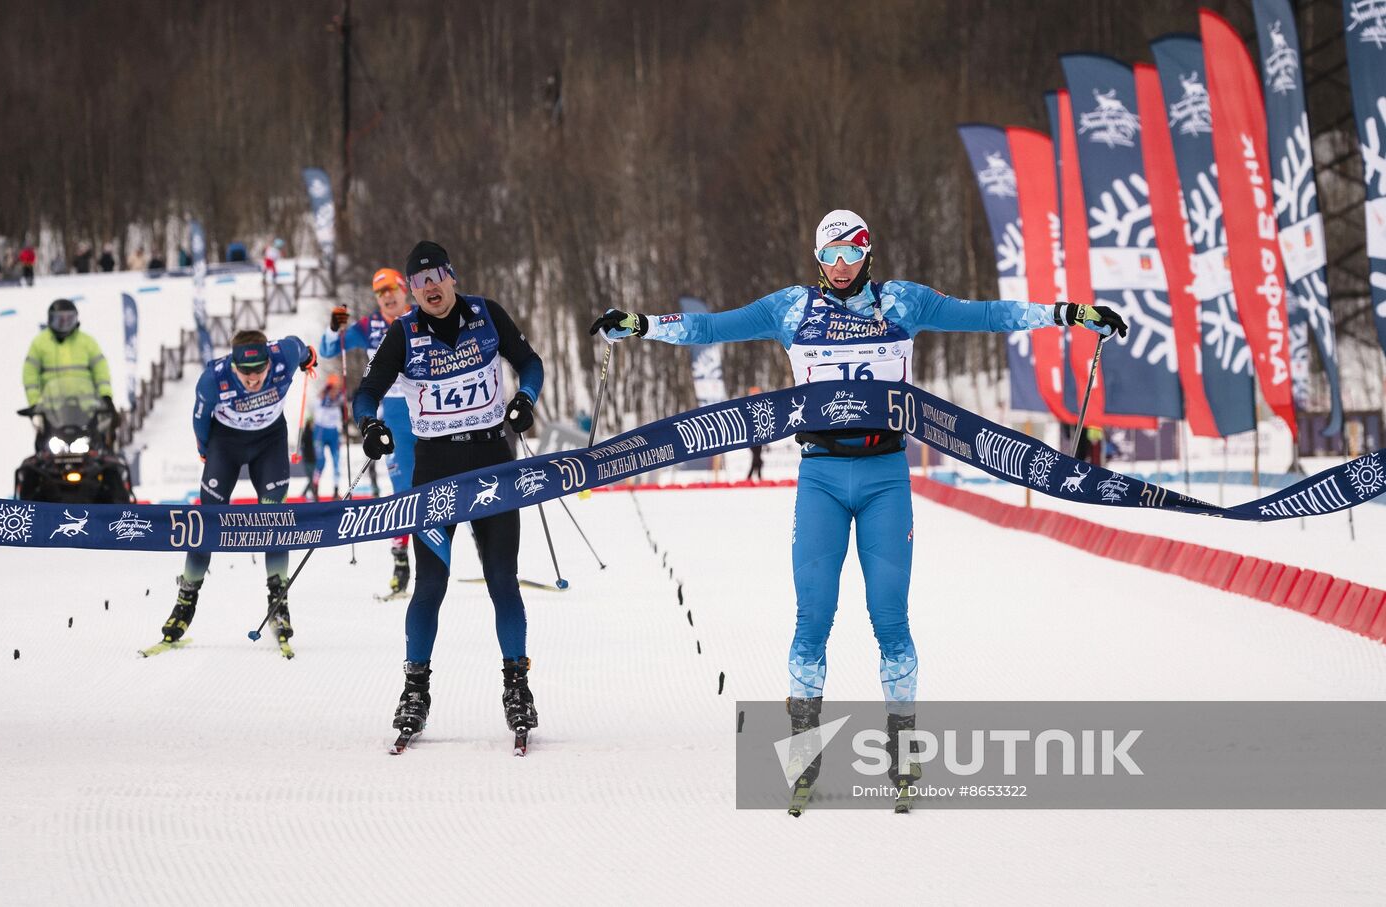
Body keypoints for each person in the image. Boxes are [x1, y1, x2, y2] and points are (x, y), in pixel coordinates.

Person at [590, 209, 1127, 796]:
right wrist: (642, 324)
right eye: (830, 256)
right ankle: (804, 750)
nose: (841, 267)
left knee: (889, 618)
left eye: (851, 255)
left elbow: (987, 316)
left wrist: (1066, 315)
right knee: (812, 618)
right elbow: (711, 329)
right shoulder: (791, 309)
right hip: (821, 476)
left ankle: (902, 748)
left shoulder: (902, 304)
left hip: (884, 478)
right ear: (817, 259)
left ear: (868, 255)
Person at [353, 241, 544, 747]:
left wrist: (525, 400)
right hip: (435, 473)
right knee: (430, 585)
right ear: (412, 292)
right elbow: (366, 392)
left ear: (452, 277)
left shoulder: (486, 314)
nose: (430, 288)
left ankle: (517, 687)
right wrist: (369, 425)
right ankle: (415, 689)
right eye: (419, 283)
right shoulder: (404, 333)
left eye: (437, 277)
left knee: (502, 580)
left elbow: (531, 363)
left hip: (492, 466)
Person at [158, 329, 317, 648]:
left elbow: (302, 349)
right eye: (245, 372)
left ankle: (278, 600)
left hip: (269, 442)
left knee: (274, 519)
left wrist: (309, 358)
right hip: (226, 445)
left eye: (260, 370)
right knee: (209, 520)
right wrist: (206, 450)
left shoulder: (283, 354)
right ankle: (186, 599)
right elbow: (199, 419)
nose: (253, 379)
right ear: (233, 365)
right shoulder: (213, 378)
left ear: (268, 361)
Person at [322, 267, 417, 595]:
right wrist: (334, 327)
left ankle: (481, 550)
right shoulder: (371, 325)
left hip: (431, 412)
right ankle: (401, 561)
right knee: (401, 489)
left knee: (451, 478)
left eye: (392, 289)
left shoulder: (423, 316)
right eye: (380, 293)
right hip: (393, 415)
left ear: (404, 290)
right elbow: (328, 349)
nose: (387, 296)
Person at [22, 299, 115, 448]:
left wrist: (106, 397)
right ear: (50, 319)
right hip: (52, 413)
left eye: (68, 319)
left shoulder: (87, 342)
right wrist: (35, 404)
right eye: (59, 319)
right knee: (41, 454)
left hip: (86, 411)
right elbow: (29, 376)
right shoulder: (40, 343)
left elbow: (101, 371)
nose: (63, 324)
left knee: (102, 450)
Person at [311, 373, 345, 497]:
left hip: (333, 433)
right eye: (332, 388)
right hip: (320, 432)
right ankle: (315, 487)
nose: (335, 392)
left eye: (337, 389)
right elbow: (319, 405)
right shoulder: (321, 398)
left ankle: (336, 491)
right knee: (321, 462)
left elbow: (344, 408)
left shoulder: (340, 398)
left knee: (336, 461)